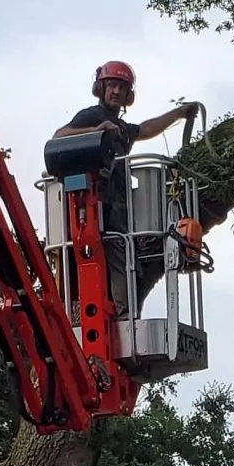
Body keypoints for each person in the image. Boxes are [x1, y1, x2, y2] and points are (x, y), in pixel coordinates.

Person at [53, 60, 200, 320]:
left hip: (118, 207)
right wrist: (95, 131)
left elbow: (145, 129)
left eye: (122, 88)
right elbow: (59, 135)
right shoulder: (92, 115)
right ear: (100, 88)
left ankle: (123, 315)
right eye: (111, 85)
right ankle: (119, 316)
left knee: (124, 257)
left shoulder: (121, 128)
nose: (116, 91)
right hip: (96, 205)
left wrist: (178, 114)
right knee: (111, 256)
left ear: (128, 95)